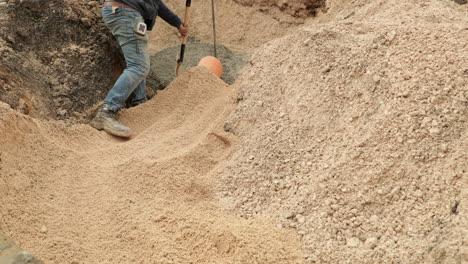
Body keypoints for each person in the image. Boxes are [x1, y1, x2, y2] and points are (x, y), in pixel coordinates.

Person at [91, 0, 189, 138]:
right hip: (126, 12)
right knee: (139, 66)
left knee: (138, 62)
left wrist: (178, 23)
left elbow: (157, 4)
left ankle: (139, 106)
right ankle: (106, 111)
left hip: (122, 11)